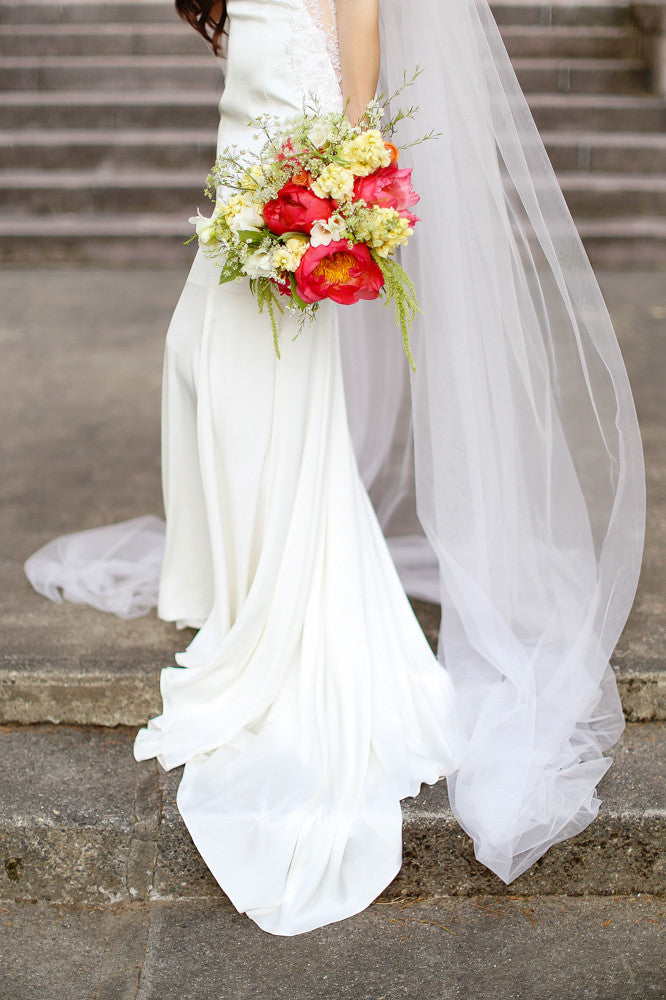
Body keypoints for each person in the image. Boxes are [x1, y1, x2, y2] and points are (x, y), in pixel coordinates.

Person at [24, 0, 645, 936]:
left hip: (300, 153)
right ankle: (239, 575)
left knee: (251, 375)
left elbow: (360, 16)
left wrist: (351, 164)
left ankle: (276, 585)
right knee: (202, 358)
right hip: (249, 144)